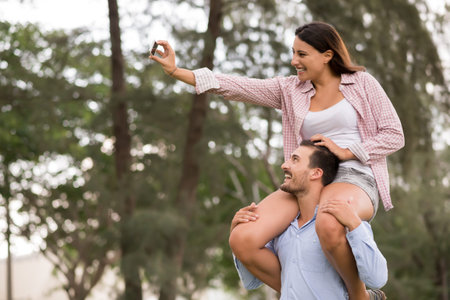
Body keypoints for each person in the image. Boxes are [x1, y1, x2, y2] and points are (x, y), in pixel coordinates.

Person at [150, 21, 404, 299]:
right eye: (293, 52)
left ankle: (361, 297)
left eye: (302, 54)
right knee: (243, 238)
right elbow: (237, 86)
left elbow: (394, 135)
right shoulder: (291, 90)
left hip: (353, 177)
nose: (294, 61)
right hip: (306, 178)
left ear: (327, 56)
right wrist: (177, 72)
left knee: (329, 223)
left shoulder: (362, 84)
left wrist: (347, 151)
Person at [231, 141, 387, 299]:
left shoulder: (342, 223)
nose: (284, 165)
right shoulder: (282, 232)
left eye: (295, 160)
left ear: (316, 173)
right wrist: (236, 230)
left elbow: (377, 279)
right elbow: (251, 281)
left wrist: (355, 224)